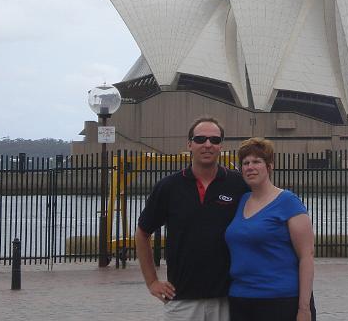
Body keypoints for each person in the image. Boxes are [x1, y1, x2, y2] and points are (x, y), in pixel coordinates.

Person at [135, 117, 249, 320]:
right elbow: (143, 233)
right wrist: (152, 282)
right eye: (200, 139)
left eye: (214, 140)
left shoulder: (239, 185)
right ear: (189, 144)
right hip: (182, 299)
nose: (207, 145)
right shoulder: (168, 187)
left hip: (228, 298)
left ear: (221, 145)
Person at [225, 137, 315, 321]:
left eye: (257, 162)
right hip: (240, 300)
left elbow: (307, 256)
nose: (250, 167)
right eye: (246, 163)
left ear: (269, 166)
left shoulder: (288, 202)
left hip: (280, 300)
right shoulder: (241, 201)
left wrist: (304, 309)